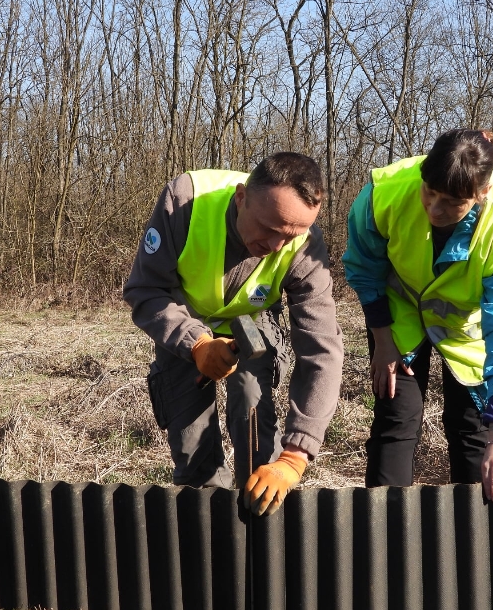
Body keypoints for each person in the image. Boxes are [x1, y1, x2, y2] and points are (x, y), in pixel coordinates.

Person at [124, 153, 344, 515]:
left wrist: (296, 454)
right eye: (269, 228)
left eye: (290, 235)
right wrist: (195, 342)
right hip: (185, 325)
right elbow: (146, 291)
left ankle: (262, 534)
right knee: (192, 448)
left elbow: (322, 349)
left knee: (257, 435)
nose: (276, 246)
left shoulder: (304, 243)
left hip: (253, 326)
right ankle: (209, 538)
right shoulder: (184, 202)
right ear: (241, 197)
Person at [342, 129, 493, 502]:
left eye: (452, 202)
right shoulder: (386, 192)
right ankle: (385, 540)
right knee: (396, 419)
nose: (434, 209)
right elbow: (364, 268)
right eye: (429, 192)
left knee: (472, 428)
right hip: (397, 314)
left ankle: (479, 544)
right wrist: (382, 341)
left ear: (482, 194)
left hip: (465, 327)